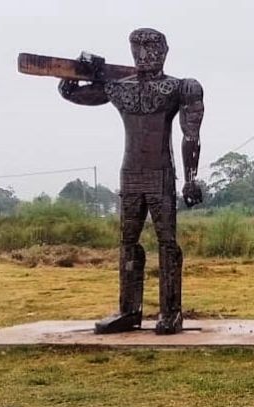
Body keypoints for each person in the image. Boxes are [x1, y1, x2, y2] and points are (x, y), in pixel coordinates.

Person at [58, 28, 204, 335]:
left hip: (161, 174)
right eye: (138, 48)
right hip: (131, 174)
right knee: (127, 242)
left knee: (167, 242)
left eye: (151, 48)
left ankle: (171, 311)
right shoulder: (120, 88)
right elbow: (76, 94)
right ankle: (128, 310)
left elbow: (191, 135)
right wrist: (73, 74)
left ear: (164, 52)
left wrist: (191, 178)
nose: (144, 55)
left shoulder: (180, 88)